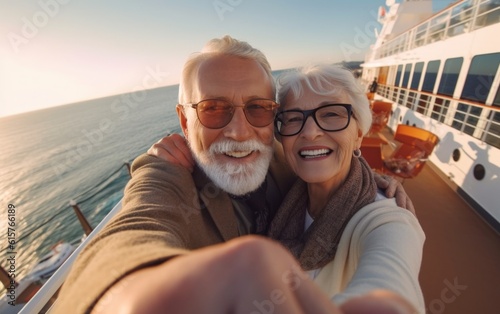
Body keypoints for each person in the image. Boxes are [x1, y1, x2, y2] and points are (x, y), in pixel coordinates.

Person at [52, 36, 415, 314]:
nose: (240, 131)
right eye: (213, 109)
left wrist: (366, 174)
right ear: (184, 120)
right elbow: (136, 225)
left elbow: (391, 270)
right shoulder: (172, 172)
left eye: (258, 108)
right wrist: (134, 295)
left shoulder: (285, 156)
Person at [266, 64, 425, 312]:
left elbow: (392, 284)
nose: (310, 132)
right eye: (294, 118)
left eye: (331, 114)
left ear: (359, 134)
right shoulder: (282, 186)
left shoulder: (387, 220)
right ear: (282, 138)